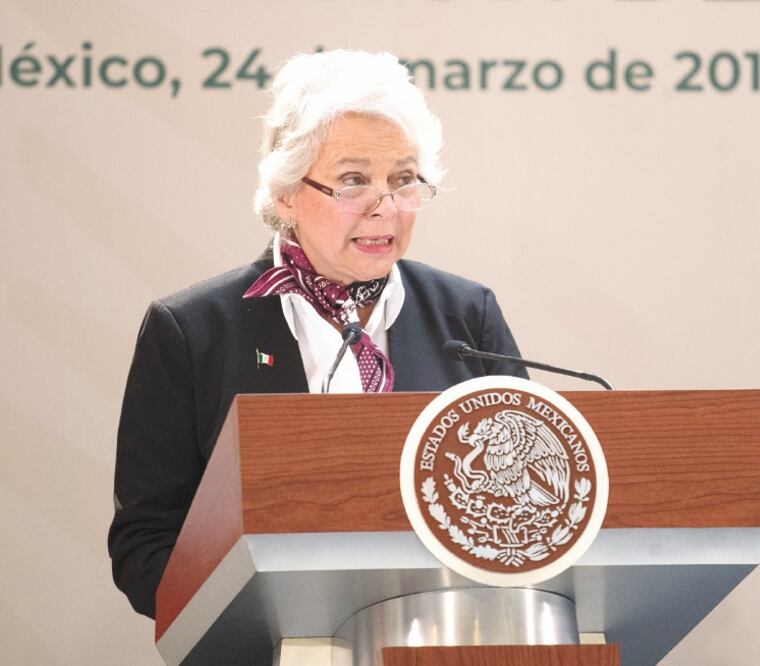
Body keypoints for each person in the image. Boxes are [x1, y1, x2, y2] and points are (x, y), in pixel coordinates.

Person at [108, 49, 528, 619]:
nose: (385, 209)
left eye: (403, 180)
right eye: (353, 181)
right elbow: (146, 544)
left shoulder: (466, 314)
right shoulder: (191, 330)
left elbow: (531, 509)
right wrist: (269, 619)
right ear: (285, 192)